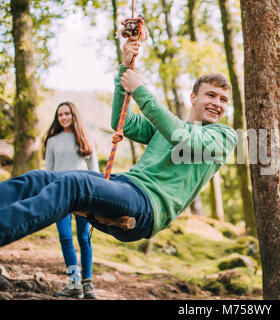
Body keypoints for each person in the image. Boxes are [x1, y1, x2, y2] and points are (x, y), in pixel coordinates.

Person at [0, 40, 237, 256]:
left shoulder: (223, 136)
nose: (217, 103)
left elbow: (184, 138)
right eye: (211, 95)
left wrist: (141, 90)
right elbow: (122, 122)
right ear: (193, 97)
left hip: (147, 206)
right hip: (124, 185)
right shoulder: (167, 127)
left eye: (223, 100)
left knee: (74, 185)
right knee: (39, 179)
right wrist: (125, 68)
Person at [42, 101, 99, 299]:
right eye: (60, 115)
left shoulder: (85, 138)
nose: (64, 117)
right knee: (65, 237)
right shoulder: (53, 141)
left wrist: (98, 197)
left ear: (74, 116)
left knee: (84, 238)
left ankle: (88, 284)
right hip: (60, 194)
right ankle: (74, 282)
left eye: (67, 114)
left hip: (83, 195)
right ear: (57, 118)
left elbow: (95, 171)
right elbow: (48, 171)